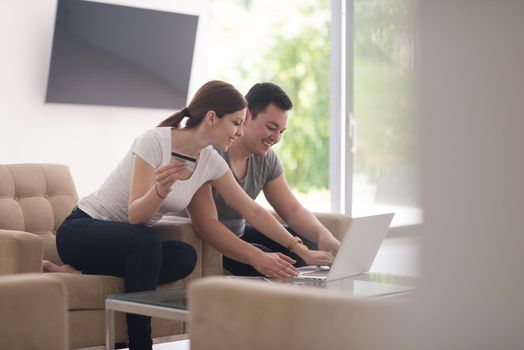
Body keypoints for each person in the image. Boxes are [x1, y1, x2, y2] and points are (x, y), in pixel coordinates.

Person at [44, 80, 334, 350]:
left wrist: (299, 248)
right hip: (82, 230)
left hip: (124, 246)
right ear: (211, 118)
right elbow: (135, 216)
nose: (239, 131)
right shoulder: (154, 142)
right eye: (235, 123)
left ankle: (82, 271)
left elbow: (252, 210)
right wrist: (160, 191)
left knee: (184, 257)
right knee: (145, 242)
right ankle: (139, 345)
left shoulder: (208, 161)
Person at [187, 82, 341, 277]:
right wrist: (259, 255)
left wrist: (323, 235)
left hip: (241, 231)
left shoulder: (266, 159)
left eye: (282, 131)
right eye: (271, 127)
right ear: (246, 116)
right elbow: (208, 223)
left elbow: (292, 210)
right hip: (214, 242)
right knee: (276, 260)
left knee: (307, 243)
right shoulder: (211, 153)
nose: (276, 138)